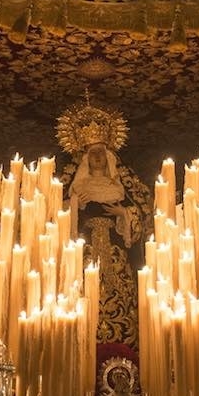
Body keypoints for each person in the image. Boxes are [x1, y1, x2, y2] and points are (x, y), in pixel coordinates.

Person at [68, 141, 143, 352]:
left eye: (101, 152)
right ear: (86, 160)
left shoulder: (116, 188)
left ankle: (123, 344)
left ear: (108, 157)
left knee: (121, 292)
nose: (98, 157)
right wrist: (75, 205)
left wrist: (123, 214)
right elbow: (61, 217)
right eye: (93, 153)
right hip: (87, 247)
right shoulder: (79, 188)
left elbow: (139, 218)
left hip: (114, 251)